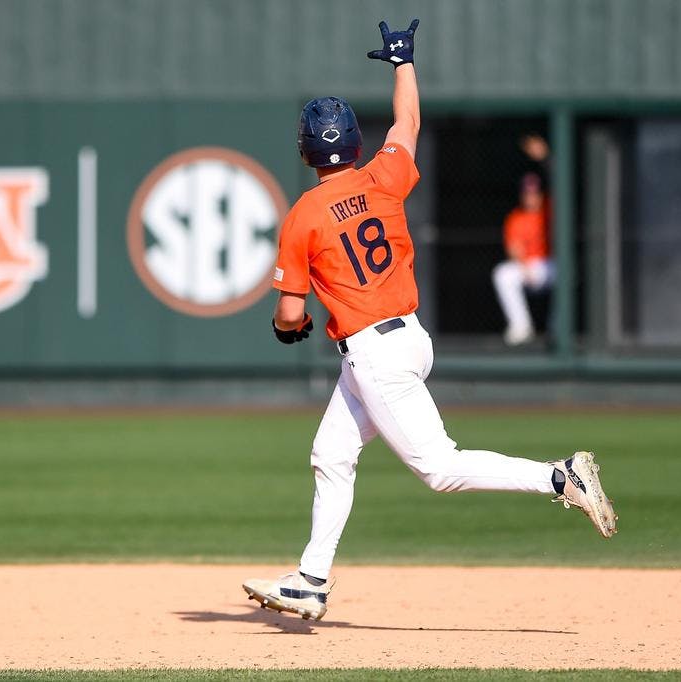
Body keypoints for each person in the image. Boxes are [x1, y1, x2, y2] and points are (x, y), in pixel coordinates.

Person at [241, 18, 617, 622]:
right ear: (354, 145)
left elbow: (289, 314)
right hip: (411, 338)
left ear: (306, 151)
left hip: (374, 353)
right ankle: (311, 578)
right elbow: (408, 124)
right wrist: (403, 63)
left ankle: (559, 476)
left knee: (440, 469)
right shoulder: (382, 179)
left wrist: (289, 327)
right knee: (331, 453)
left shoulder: (304, 216)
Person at [492, 140, 554, 346]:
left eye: (534, 193)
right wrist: (524, 265)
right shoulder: (515, 217)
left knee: (568, 271)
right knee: (503, 274)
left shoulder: (549, 209)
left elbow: (562, 179)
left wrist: (545, 158)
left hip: (548, 266)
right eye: (527, 193)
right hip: (527, 267)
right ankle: (521, 326)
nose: (531, 197)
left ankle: (558, 327)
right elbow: (513, 248)